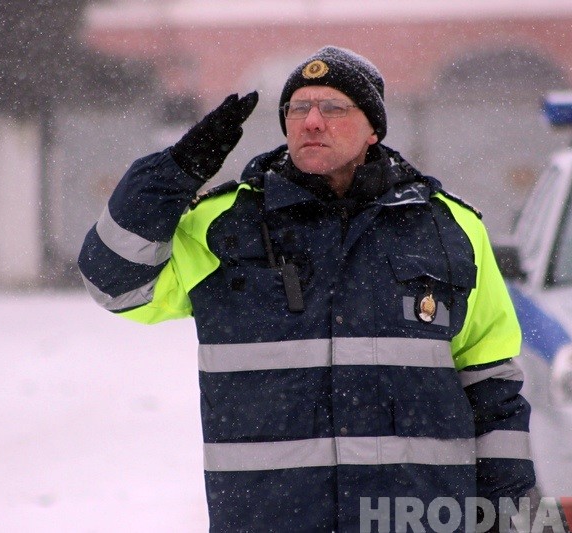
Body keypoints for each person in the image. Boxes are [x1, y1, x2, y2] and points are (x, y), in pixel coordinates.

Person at [78, 46, 535, 532]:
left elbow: (491, 382)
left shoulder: (448, 228)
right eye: (298, 108)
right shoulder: (224, 224)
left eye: (333, 107)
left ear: (373, 129)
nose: (312, 121)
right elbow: (114, 283)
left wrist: (502, 516)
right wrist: (174, 173)